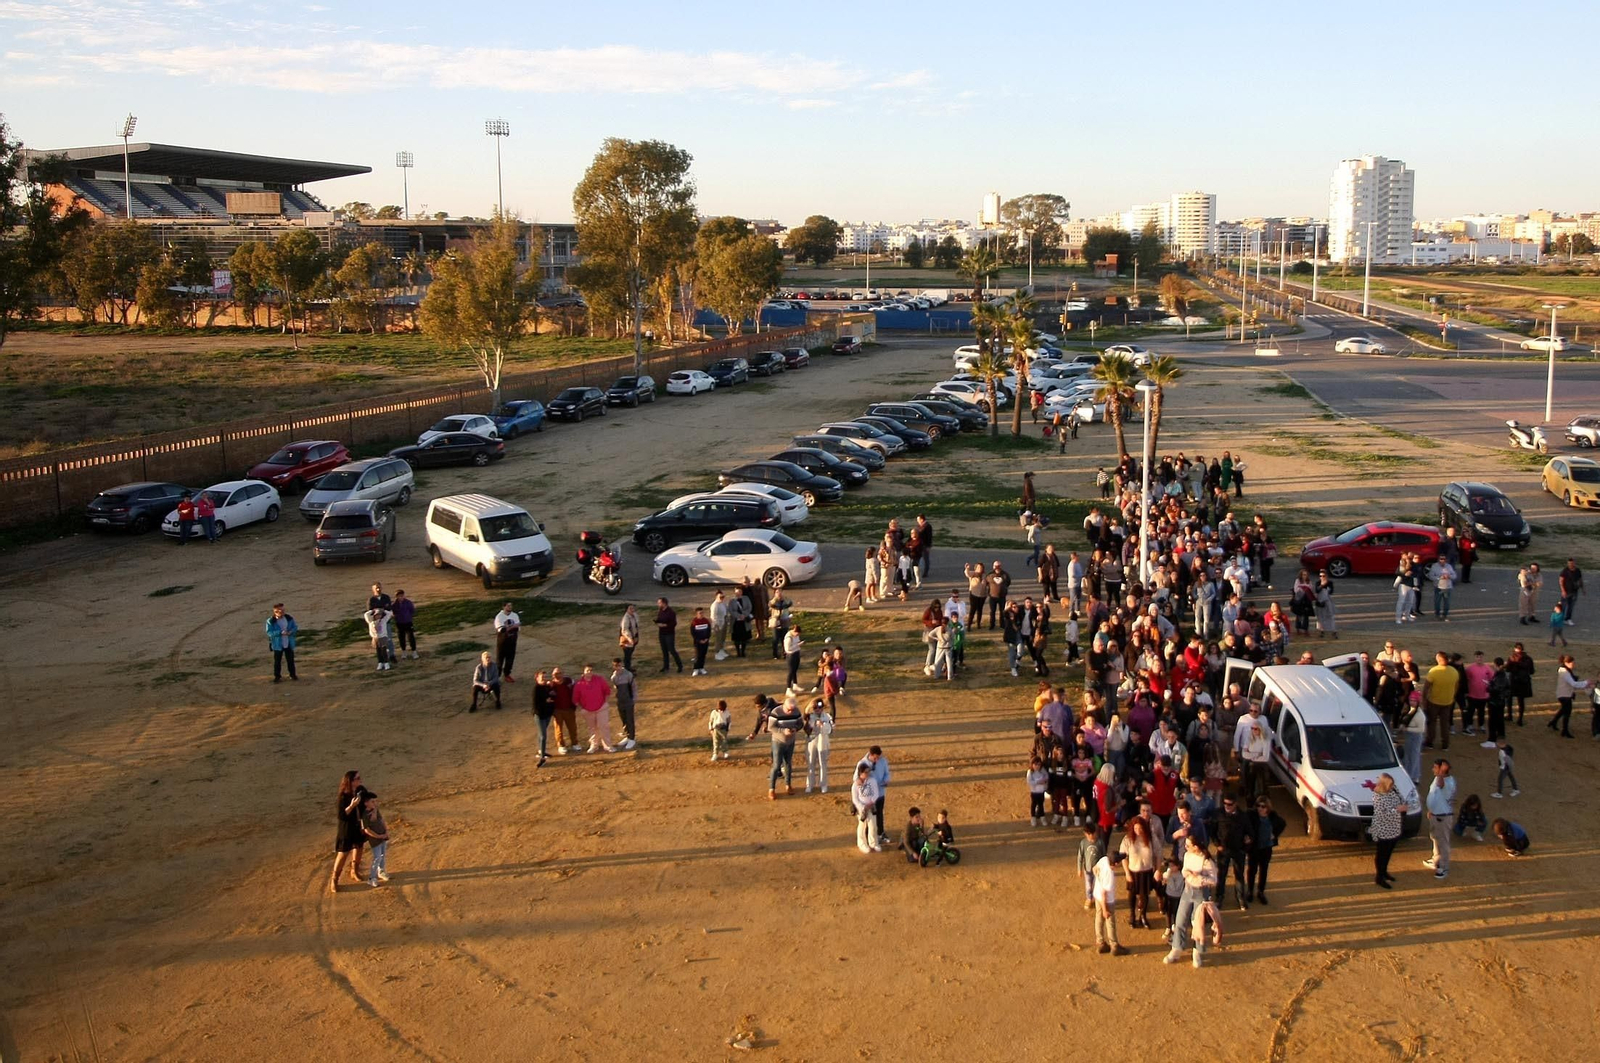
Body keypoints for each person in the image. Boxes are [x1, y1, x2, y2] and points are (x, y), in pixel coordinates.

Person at [1164, 837, 1218, 968]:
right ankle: (1176, 949)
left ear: (1196, 847)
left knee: (1197, 924)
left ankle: (1197, 952)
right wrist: (1187, 873)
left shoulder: (1207, 861)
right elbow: (1184, 870)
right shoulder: (1187, 855)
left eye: (1188, 845)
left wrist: (1198, 877)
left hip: (1201, 893)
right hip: (1187, 890)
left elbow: (1214, 880)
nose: (1186, 847)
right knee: (1180, 920)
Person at [330, 769, 367, 893]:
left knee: (359, 847)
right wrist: (352, 806)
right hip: (346, 828)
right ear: (350, 781)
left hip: (358, 825)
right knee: (343, 853)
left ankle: (354, 871)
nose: (360, 780)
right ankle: (334, 879)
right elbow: (341, 815)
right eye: (357, 778)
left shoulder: (361, 790)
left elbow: (367, 802)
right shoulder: (343, 796)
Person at [1369, 772, 1408, 889]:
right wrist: (1397, 810)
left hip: (1394, 828)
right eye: (1390, 785)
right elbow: (1382, 814)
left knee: (1389, 852)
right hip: (1383, 830)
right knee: (1382, 854)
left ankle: (1384, 872)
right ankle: (1379, 876)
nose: (1392, 787)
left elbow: (1401, 798)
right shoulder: (1378, 796)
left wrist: (1403, 806)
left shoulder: (1393, 790)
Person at [1244, 796, 1285, 905]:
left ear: (1268, 807)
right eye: (1258, 806)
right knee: (1252, 870)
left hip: (1266, 848)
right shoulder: (1252, 815)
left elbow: (1282, 823)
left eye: (1263, 806)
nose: (1260, 809)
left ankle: (1261, 892)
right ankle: (1250, 891)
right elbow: (1244, 824)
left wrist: (1275, 834)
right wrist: (1246, 837)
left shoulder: (1272, 816)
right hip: (1254, 848)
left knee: (1264, 870)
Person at [1213, 793, 1250, 911]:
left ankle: (1240, 898)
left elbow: (1250, 832)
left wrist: (1247, 841)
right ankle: (1219, 898)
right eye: (1225, 803)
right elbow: (1213, 830)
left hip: (1238, 850)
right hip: (1223, 850)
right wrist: (1217, 844)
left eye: (1230, 804)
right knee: (1221, 875)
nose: (1227, 806)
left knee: (1239, 875)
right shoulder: (1219, 814)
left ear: (1236, 804)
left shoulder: (1243, 816)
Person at [1119, 816, 1157, 930]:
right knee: (1132, 894)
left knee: (1144, 895)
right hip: (1133, 871)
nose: (1138, 831)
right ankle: (1132, 915)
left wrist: (1158, 869)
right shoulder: (1127, 839)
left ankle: (1143, 916)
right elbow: (1123, 857)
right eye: (1136, 828)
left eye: (1140, 828)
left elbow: (1158, 854)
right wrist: (1127, 873)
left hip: (1147, 871)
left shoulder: (1151, 838)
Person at [1092, 850, 1130, 955]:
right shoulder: (1109, 874)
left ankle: (1100, 943)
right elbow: (1104, 893)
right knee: (1110, 923)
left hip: (1097, 895)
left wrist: (1098, 880)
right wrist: (1105, 910)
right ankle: (1114, 946)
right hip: (1106, 901)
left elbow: (1094, 869)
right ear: (1116, 864)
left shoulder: (1104, 859)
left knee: (1099, 919)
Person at [1424, 758, 1456, 880]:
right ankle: (1436, 860)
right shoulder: (1438, 778)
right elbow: (1435, 794)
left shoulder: (1448, 782)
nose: (1433, 769)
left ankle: (1443, 867)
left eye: (1435, 767)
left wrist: (1441, 773)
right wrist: (1431, 810)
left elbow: (1441, 786)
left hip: (1442, 817)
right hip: (1435, 815)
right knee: (1435, 839)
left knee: (1443, 843)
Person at [767, 696, 804, 798]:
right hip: (778, 741)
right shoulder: (776, 712)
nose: (790, 712)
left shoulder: (796, 711)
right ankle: (771, 789)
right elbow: (770, 727)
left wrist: (795, 729)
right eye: (788, 710)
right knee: (776, 765)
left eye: (792, 710)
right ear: (784, 706)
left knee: (788, 763)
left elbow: (800, 724)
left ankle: (788, 785)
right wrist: (783, 731)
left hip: (790, 742)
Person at [1422, 652, 1458, 750]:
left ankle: (1430, 742)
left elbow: (1426, 688)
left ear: (1438, 659)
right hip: (1447, 701)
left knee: (1432, 723)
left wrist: (1424, 700)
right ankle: (1445, 744)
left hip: (1434, 701)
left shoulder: (1434, 671)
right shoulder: (1454, 671)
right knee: (1445, 723)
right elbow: (1456, 685)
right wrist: (1452, 696)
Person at [857, 746, 891, 841]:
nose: (877, 760)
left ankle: (880, 833)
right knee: (868, 816)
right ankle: (867, 836)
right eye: (875, 758)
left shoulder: (883, 761)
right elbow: (856, 778)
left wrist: (886, 780)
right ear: (870, 755)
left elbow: (887, 773)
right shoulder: (862, 763)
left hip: (880, 793)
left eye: (878, 758)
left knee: (879, 814)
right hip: (868, 796)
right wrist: (861, 781)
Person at [1552, 653, 1587, 738]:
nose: (1573, 665)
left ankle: (1554, 722)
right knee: (1567, 713)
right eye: (1572, 663)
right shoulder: (1565, 672)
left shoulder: (1564, 670)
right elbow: (1573, 684)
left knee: (1564, 710)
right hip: (1565, 695)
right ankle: (1564, 730)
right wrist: (1586, 683)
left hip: (1563, 694)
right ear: (1566, 663)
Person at [360, 792, 390, 887]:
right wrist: (378, 836)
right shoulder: (364, 815)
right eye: (372, 801)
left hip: (382, 836)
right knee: (377, 858)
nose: (375, 803)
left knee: (382, 855)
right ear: (366, 803)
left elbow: (381, 820)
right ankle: (372, 878)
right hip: (375, 839)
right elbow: (367, 830)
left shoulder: (375, 810)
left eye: (375, 801)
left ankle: (381, 871)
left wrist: (386, 831)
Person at [548, 667, 581, 753]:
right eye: (556, 674)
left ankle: (575, 743)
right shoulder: (551, 685)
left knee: (572, 727)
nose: (558, 675)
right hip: (557, 710)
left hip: (569, 709)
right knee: (558, 729)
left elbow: (576, 689)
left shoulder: (569, 681)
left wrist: (575, 704)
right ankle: (561, 745)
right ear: (553, 675)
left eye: (560, 673)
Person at [804, 697, 833, 794]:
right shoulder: (810, 716)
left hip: (823, 742)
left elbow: (830, 730)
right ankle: (809, 784)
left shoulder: (827, 716)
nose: (817, 710)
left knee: (823, 763)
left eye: (819, 708)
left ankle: (823, 784)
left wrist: (823, 725)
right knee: (811, 763)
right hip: (811, 741)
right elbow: (806, 728)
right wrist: (812, 724)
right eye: (815, 708)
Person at [852, 764, 883, 853]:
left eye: (868, 772)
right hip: (861, 809)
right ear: (861, 773)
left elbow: (876, 793)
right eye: (866, 772)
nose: (868, 773)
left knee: (873, 825)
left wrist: (871, 803)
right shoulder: (855, 785)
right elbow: (855, 799)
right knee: (862, 826)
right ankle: (862, 844)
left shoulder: (872, 781)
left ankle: (873, 843)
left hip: (871, 806)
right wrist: (862, 807)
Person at [265, 602, 299, 682]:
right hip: (277, 645)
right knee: (277, 662)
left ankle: (292, 675)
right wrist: (280, 633)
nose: (283, 612)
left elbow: (295, 627)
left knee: (290, 660)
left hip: (288, 643)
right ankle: (277, 677)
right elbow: (269, 632)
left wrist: (291, 632)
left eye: (283, 610)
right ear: (275, 612)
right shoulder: (270, 621)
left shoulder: (289, 618)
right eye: (281, 610)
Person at [610, 658, 638, 750]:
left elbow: (633, 687)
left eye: (619, 665)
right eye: (615, 666)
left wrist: (634, 699)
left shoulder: (628, 675)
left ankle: (632, 738)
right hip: (620, 701)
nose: (617, 667)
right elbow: (616, 688)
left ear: (621, 665)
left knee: (630, 720)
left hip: (628, 701)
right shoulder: (614, 677)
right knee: (624, 720)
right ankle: (627, 736)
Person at [532, 670, 556, 766]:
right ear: (537, 678)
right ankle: (542, 757)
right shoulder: (536, 689)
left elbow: (553, 696)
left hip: (547, 714)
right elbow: (536, 704)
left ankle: (541, 751)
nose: (544, 679)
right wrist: (546, 701)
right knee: (543, 736)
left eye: (545, 677)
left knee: (541, 734)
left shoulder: (547, 687)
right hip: (540, 715)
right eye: (542, 677)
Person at [493, 602, 520, 682]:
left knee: (510, 659)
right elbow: (501, 629)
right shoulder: (499, 617)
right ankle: (496, 677)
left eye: (511, 605)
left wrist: (508, 627)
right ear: (504, 607)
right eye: (508, 606)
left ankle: (507, 674)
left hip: (512, 641)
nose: (510, 607)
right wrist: (513, 626)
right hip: (502, 642)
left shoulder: (514, 615)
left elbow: (517, 627)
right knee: (499, 660)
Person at [363, 603, 394, 672]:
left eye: (380, 615)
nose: (378, 616)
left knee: (384, 650)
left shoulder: (383, 620)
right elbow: (366, 614)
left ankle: (386, 662)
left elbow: (389, 614)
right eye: (377, 615)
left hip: (383, 637)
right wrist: (372, 610)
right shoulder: (371, 621)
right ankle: (380, 662)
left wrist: (383, 610)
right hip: (375, 638)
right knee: (378, 651)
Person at [655, 597, 683, 673]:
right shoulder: (660, 611)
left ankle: (679, 665)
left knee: (672, 650)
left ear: (664, 603)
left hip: (669, 634)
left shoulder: (671, 612)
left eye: (659, 603)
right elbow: (660, 619)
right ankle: (666, 666)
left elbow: (674, 623)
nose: (658, 604)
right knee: (664, 651)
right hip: (662, 633)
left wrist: (665, 625)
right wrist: (657, 622)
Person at [391, 590, 417, 659]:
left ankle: (414, 651)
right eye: (399, 596)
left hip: (408, 622)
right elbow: (393, 612)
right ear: (396, 596)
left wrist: (409, 617)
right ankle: (404, 651)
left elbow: (412, 610)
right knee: (401, 638)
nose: (401, 597)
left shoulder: (408, 602)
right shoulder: (394, 604)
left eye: (402, 596)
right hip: (399, 623)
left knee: (411, 637)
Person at [1558, 558, 1583, 624]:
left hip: (1574, 591)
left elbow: (1580, 579)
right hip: (1566, 591)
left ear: (1574, 563)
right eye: (1569, 563)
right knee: (1563, 606)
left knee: (1571, 606)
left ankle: (1568, 619)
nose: (1570, 565)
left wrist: (1583, 588)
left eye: (1572, 563)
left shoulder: (1577, 570)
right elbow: (1561, 581)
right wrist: (1563, 591)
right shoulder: (1565, 571)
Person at [689, 607, 712, 676]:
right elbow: (693, 633)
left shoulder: (706, 621)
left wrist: (706, 639)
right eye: (700, 613)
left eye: (702, 613)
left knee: (703, 655)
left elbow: (709, 631)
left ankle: (701, 667)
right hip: (697, 642)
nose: (701, 614)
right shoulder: (694, 622)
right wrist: (699, 640)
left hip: (705, 641)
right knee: (697, 655)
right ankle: (696, 669)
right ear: (696, 614)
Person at [1026, 756, 1049, 827]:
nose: (1037, 766)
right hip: (1034, 792)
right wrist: (1038, 782)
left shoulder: (1042, 770)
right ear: (1032, 764)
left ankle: (1042, 817)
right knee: (1034, 805)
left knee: (1041, 805)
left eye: (1039, 765)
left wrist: (1044, 780)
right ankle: (1033, 818)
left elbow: (1046, 776)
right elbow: (1029, 781)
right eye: (1035, 764)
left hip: (1041, 792)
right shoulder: (1030, 772)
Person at [618, 604, 640, 671]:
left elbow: (636, 626)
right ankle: (627, 669)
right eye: (630, 608)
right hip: (627, 640)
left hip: (633, 638)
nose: (632, 610)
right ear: (627, 610)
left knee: (630, 654)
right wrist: (630, 639)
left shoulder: (634, 616)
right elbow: (625, 630)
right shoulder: (626, 619)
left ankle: (628, 667)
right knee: (627, 655)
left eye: (633, 608)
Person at [784, 623, 804, 691]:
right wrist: (798, 645)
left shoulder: (796, 636)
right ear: (794, 631)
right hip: (791, 655)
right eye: (797, 634)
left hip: (796, 653)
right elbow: (788, 649)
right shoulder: (788, 638)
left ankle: (795, 685)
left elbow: (797, 641)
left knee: (795, 670)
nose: (798, 635)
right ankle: (788, 688)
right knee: (791, 671)